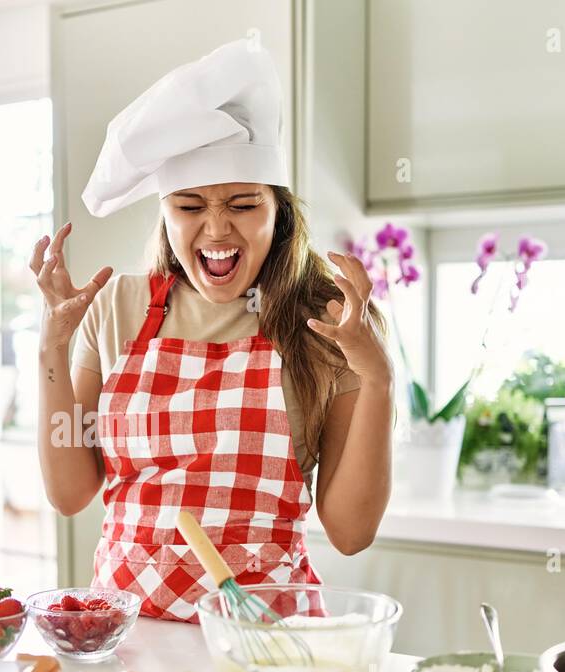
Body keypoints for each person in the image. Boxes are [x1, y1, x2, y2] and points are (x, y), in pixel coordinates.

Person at [34, 38, 393, 622]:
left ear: (279, 214)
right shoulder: (116, 308)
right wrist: (52, 343)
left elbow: (351, 533)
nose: (217, 230)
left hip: (268, 641)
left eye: (244, 205)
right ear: (165, 213)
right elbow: (69, 493)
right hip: (132, 639)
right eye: (190, 206)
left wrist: (377, 377)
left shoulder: (328, 323)